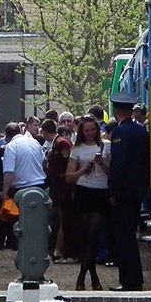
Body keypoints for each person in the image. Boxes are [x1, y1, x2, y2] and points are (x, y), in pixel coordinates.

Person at [107, 92, 150, 292]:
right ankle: (133, 279)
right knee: (130, 234)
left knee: (125, 238)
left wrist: (113, 192)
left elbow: (118, 165)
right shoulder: (141, 131)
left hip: (124, 192)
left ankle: (130, 281)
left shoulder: (120, 133)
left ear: (116, 111)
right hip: (137, 190)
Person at [65, 115, 109, 290]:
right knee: (86, 237)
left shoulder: (105, 147)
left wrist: (102, 163)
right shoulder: (77, 149)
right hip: (84, 190)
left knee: (92, 235)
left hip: (100, 191)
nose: (90, 133)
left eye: (93, 130)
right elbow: (68, 177)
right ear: (82, 132)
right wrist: (83, 170)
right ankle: (93, 278)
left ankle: (82, 278)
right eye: (87, 130)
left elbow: (111, 172)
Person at [43, 119, 80, 263]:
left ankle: (64, 251)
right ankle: (60, 250)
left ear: (45, 132)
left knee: (65, 219)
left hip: (64, 189)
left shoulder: (62, 144)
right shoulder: (57, 145)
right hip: (58, 189)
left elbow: (70, 166)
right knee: (62, 219)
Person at [0, 130, 16, 250]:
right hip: (3, 187)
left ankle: (11, 240)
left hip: (11, 187)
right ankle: (1, 241)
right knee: (2, 216)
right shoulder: (1, 150)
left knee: (12, 215)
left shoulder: (15, 149)